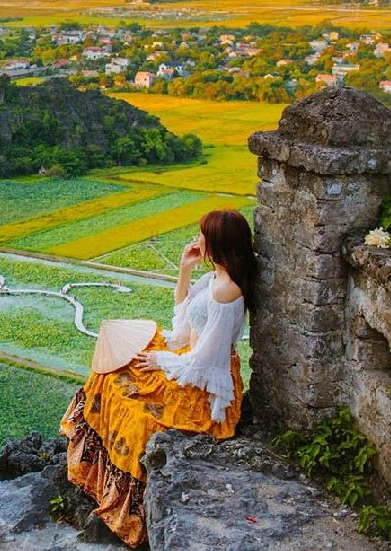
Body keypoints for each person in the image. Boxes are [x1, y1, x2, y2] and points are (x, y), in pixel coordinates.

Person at [59, 209, 256, 548]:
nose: (197, 240)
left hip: (200, 382)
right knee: (113, 372)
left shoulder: (227, 290)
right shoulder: (214, 280)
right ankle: (98, 479)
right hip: (186, 360)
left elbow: (207, 360)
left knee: (137, 414)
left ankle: (131, 507)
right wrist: (185, 269)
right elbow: (186, 318)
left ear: (217, 243)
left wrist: (161, 360)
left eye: (203, 235)